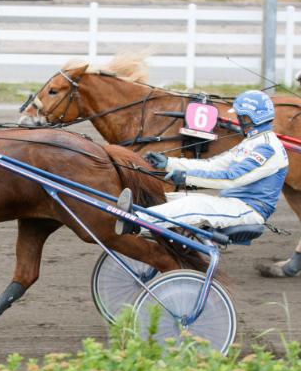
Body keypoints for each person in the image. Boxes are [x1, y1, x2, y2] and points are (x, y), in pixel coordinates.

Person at [115, 90, 291, 270]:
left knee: (193, 204)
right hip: (232, 203)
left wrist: (186, 177)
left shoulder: (268, 148)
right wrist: (169, 163)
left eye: (241, 116)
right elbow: (213, 165)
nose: (238, 120)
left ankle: (135, 222)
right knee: (167, 197)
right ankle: (139, 219)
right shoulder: (251, 143)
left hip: (249, 210)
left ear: (250, 118)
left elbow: (232, 178)